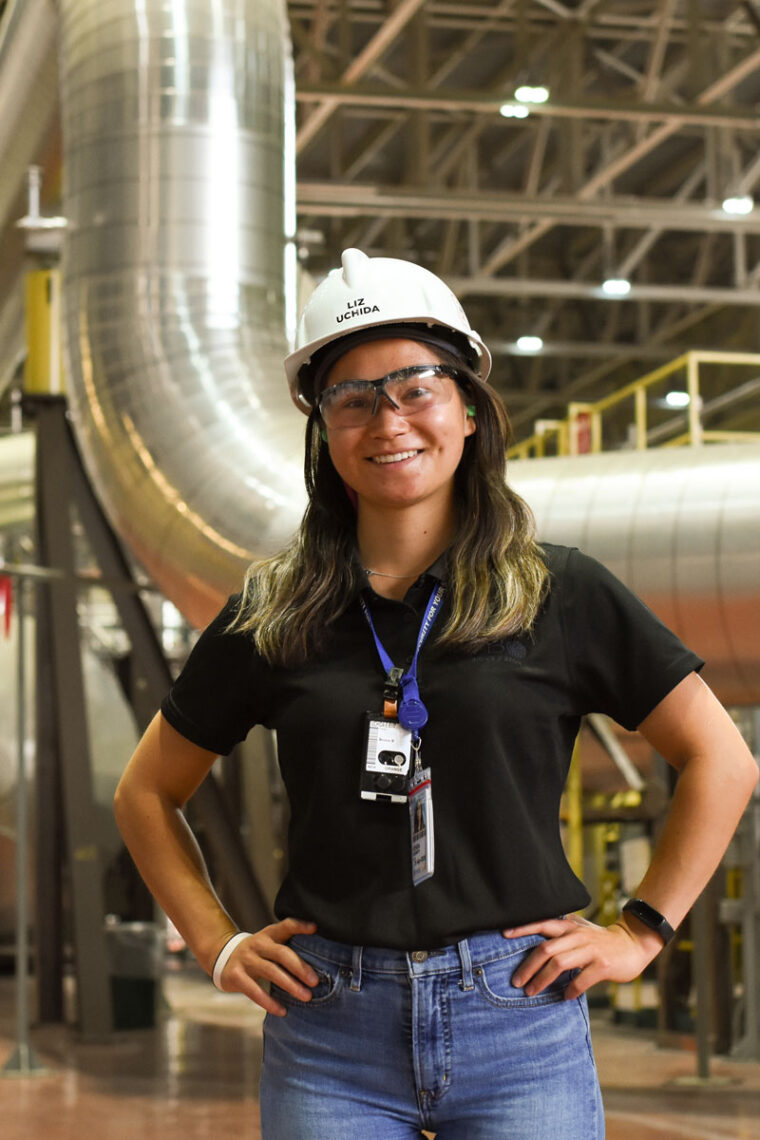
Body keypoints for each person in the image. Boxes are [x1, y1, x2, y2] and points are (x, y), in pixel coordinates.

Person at [114, 248, 757, 1139]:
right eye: (353, 398)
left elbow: (720, 757)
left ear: (466, 407)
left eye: (416, 386)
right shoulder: (273, 613)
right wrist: (220, 943)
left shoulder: (558, 593)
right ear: (324, 431)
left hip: (520, 1015)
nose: (390, 420)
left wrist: (640, 931)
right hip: (331, 1025)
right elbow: (146, 790)